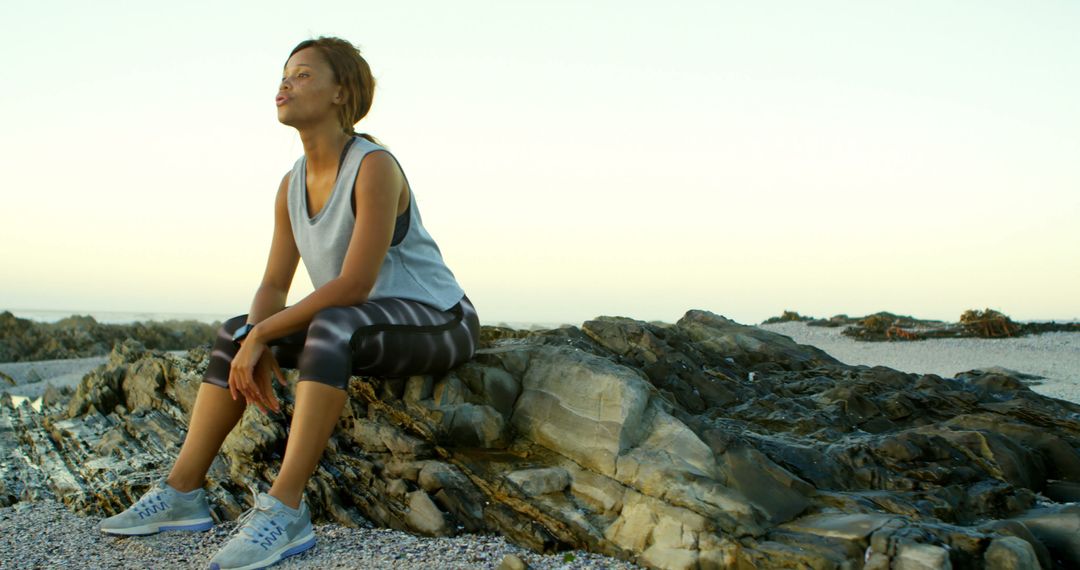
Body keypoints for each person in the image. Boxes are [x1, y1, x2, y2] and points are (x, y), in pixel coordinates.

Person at [97, 36, 480, 570]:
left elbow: (354, 285)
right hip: (364, 319)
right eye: (283, 74)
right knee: (235, 330)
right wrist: (255, 334)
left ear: (341, 93)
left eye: (302, 75)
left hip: (440, 319)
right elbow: (274, 285)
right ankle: (182, 493)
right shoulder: (290, 184)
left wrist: (266, 334)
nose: (285, 84)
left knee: (331, 327)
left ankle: (285, 510)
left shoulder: (374, 166)